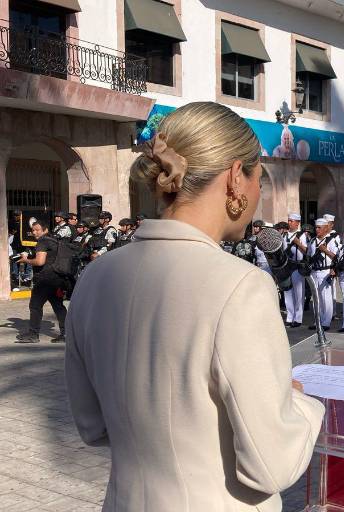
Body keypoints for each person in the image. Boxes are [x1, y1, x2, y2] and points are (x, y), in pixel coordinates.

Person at [65, 101, 324, 511]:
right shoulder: (241, 285)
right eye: (260, 176)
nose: (258, 192)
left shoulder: (95, 277)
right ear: (236, 177)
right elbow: (272, 466)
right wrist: (302, 404)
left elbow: (92, 427)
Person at [14, 220, 68, 343]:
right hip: (57, 278)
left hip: (44, 280)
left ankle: (33, 335)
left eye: (38, 229)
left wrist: (26, 260)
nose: (34, 232)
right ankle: (66, 333)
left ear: (45, 230)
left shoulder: (42, 242)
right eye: (33, 230)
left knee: (35, 306)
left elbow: (40, 262)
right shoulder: (54, 240)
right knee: (58, 306)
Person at [306, 218, 338, 330]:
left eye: (319, 228)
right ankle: (318, 321)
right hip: (314, 271)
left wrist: (325, 250)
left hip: (325, 271)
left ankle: (326, 322)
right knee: (316, 298)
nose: (317, 230)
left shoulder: (330, 241)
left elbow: (336, 257)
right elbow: (309, 256)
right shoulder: (312, 241)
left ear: (325, 228)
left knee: (326, 298)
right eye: (316, 227)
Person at [283, 213, 308, 327]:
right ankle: (289, 317)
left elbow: (307, 251)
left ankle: (298, 318)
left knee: (299, 294)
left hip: (298, 266)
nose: (289, 222)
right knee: (288, 293)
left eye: (291, 221)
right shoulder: (284, 235)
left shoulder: (302, 235)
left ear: (297, 223)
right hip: (287, 266)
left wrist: (298, 243)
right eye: (288, 220)